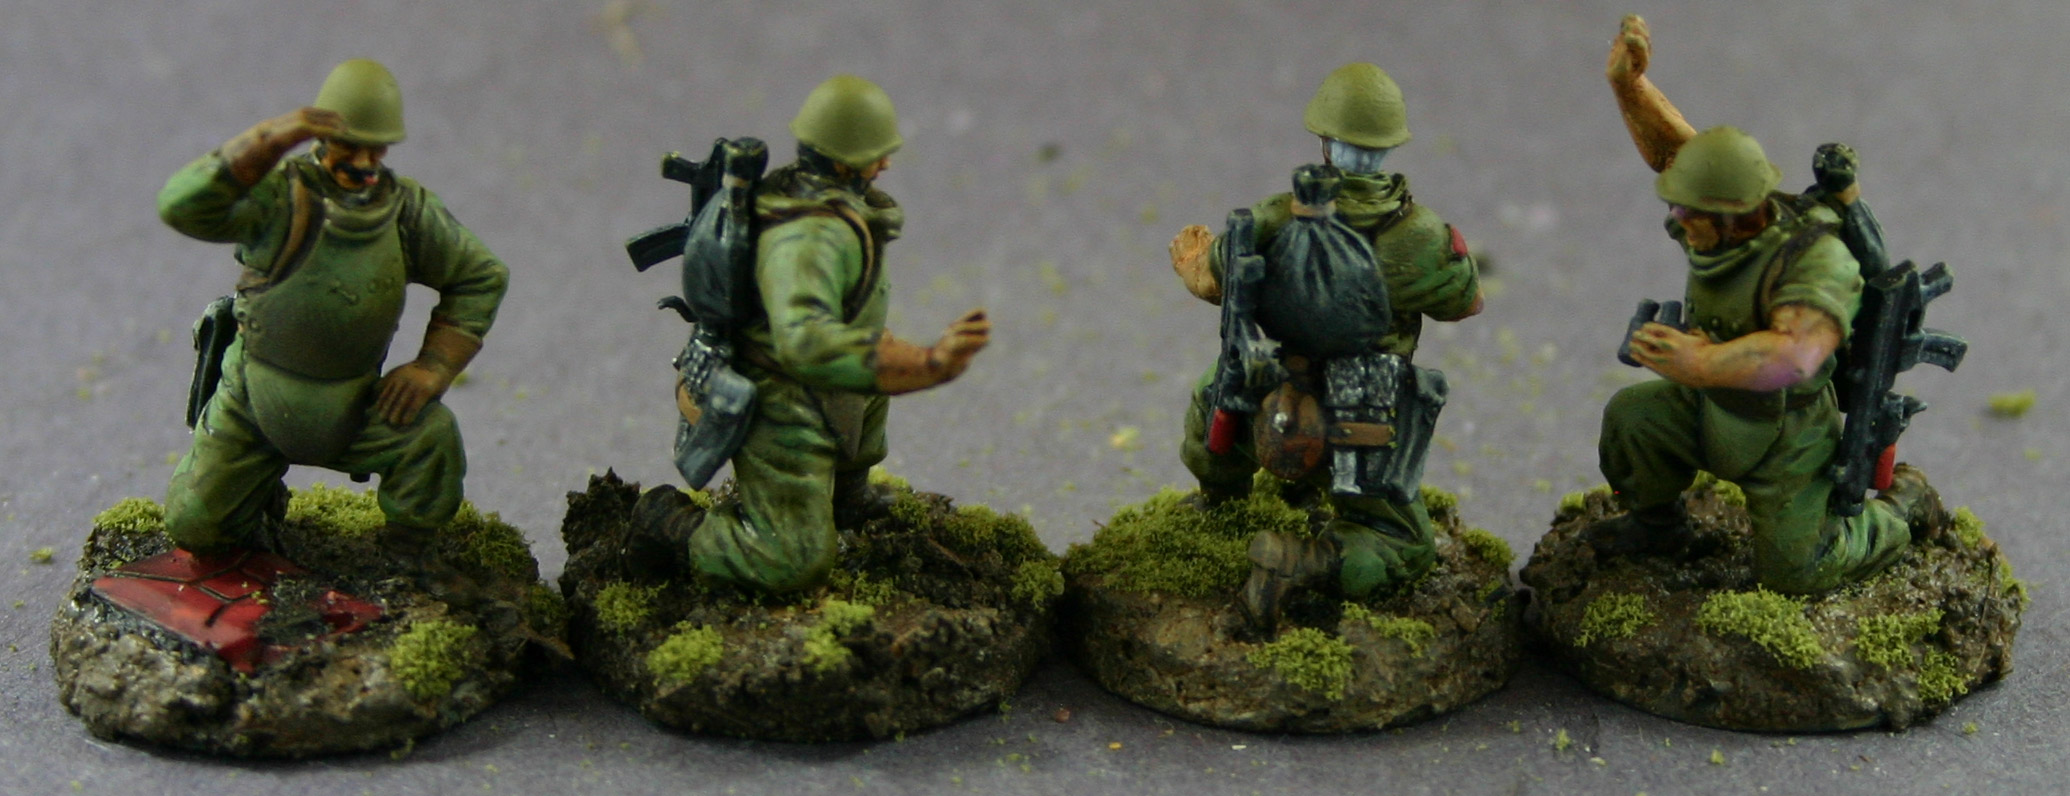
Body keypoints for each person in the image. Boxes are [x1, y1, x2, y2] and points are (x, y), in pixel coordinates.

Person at [1590, 15, 1940, 592]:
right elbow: (1678, 154)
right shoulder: (1716, 223)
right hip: (1713, 409)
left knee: (1799, 571)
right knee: (1633, 421)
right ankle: (1658, 527)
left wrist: (1699, 362)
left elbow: (1796, 355)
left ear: (1735, 215)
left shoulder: (1815, 258)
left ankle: (1901, 510)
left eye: (1689, 211)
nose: (1677, 218)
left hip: (1789, 433)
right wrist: (1630, 87)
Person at [632, 75, 990, 593]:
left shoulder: (824, 205)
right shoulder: (807, 238)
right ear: (842, 161)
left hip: (830, 371)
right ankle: (671, 526)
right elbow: (805, 345)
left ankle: (846, 498)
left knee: (864, 416)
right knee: (793, 561)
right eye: (874, 155)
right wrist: (923, 363)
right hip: (781, 394)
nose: (885, 165)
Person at [157, 59, 509, 576]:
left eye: (376, 149)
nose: (364, 162)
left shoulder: (406, 212)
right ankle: (253, 501)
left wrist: (433, 366)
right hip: (254, 397)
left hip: (352, 403)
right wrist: (267, 140)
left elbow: (480, 276)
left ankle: (409, 560)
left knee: (431, 440)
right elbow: (182, 207)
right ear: (321, 138)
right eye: (350, 146)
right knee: (194, 525)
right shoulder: (280, 198)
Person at [1169, 63, 1483, 631]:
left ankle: (1218, 497)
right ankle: (1307, 560)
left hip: (1267, 397)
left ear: (1325, 141)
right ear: (1390, 146)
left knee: (1212, 395)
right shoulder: (1426, 235)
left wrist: (1193, 260)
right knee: (1405, 544)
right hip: (1363, 415)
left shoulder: (1270, 218)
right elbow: (1465, 302)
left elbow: (1213, 281)